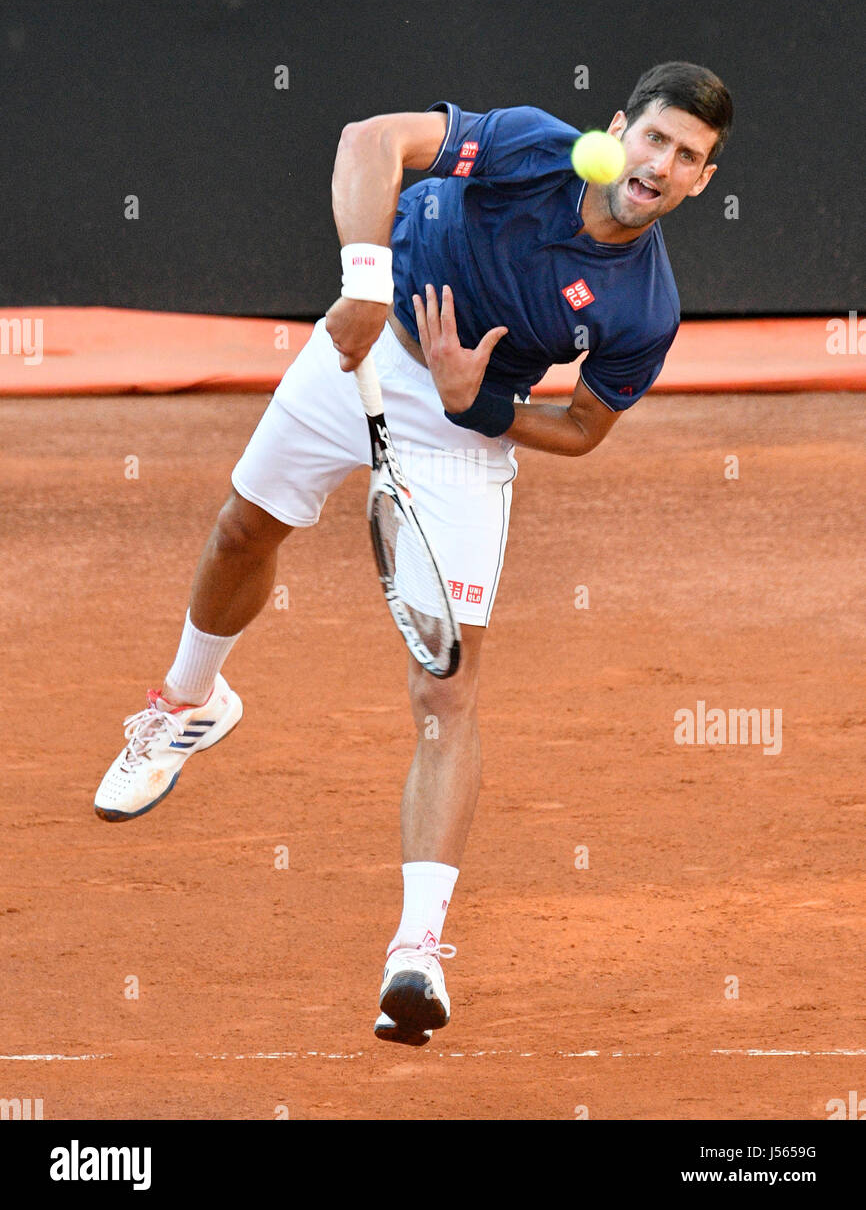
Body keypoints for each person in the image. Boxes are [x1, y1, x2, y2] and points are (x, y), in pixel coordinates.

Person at [94, 61, 733, 1046]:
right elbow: (369, 139)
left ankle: (417, 953)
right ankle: (187, 703)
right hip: (360, 349)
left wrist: (475, 401)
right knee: (241, 528)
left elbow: (579, 428)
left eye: (687, 158)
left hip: (460, 436)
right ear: (619, 130)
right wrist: (362, 279)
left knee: (447, 687)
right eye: (652, 138)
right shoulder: (531, 144)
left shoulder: (641, 309)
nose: (659, 164)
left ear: (699, 181)